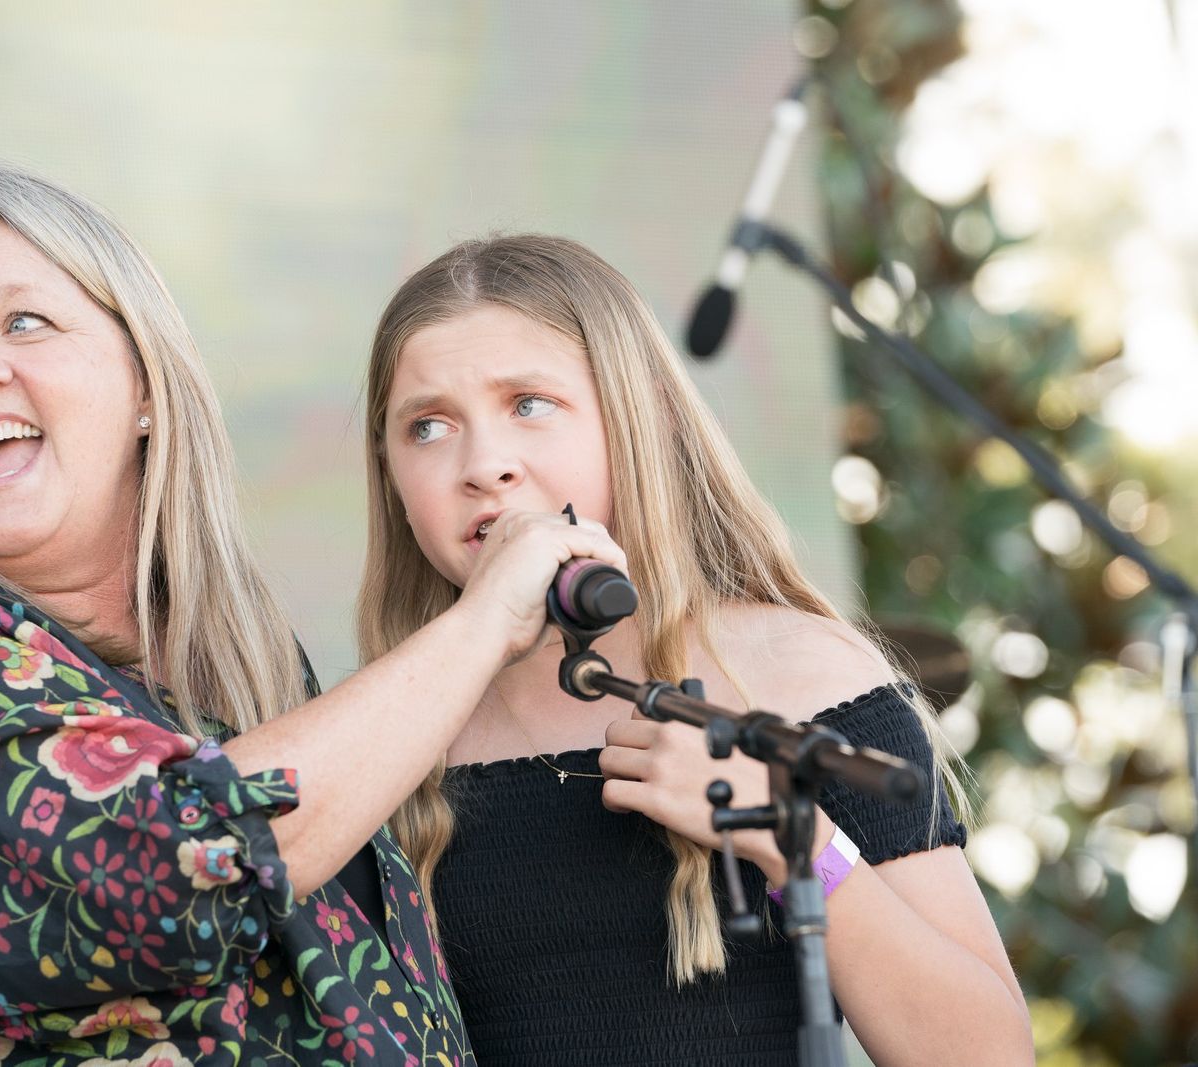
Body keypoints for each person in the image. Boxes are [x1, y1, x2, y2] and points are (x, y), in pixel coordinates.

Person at [0, 162, 624, 1066]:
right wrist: (483, 622)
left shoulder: (245, 675)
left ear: (147, 389)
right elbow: (164, 870)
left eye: (23, 322)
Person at [357, 234, 1035, 1066]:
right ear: (390, 472)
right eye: (427, 426)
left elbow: (989, 1054)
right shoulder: (382, 738)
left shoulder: (800, 671)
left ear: (636, 419)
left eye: (529, 403)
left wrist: (797, 841)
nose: (484, 465)